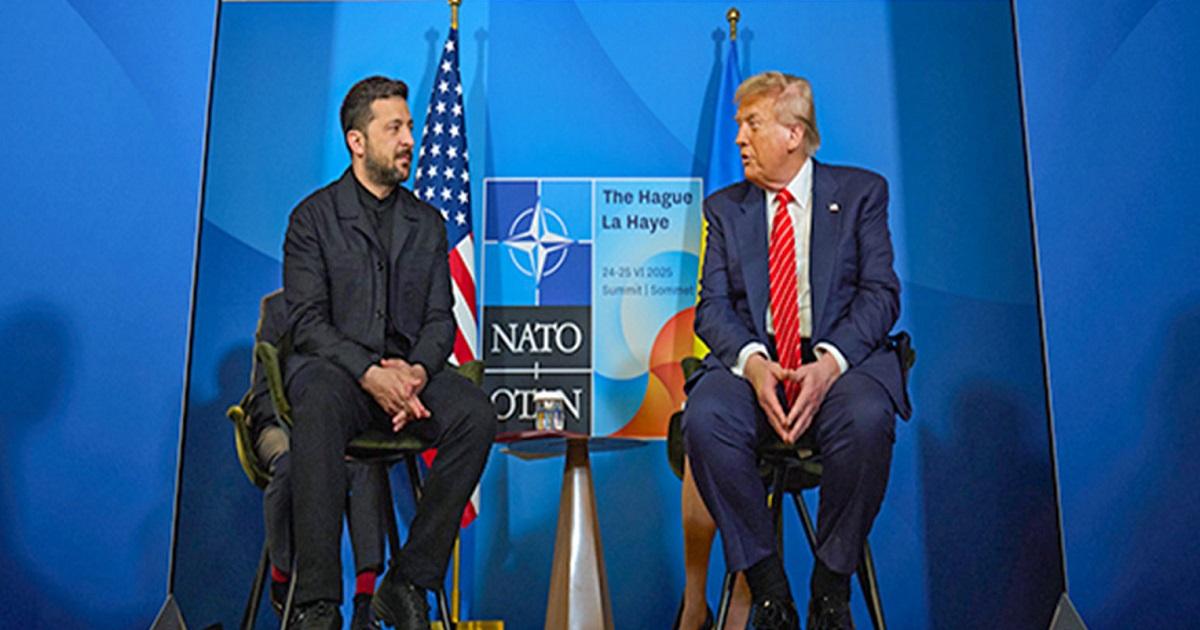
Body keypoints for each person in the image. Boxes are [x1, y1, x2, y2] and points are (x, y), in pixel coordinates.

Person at [682, 71, 910, 630]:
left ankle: (830, 588)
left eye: (751, 124)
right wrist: (754, 364)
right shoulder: (725, 209)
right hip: (755, 362)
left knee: (867, 416)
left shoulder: (860, 195)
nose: (739, 138)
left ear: (793, 133)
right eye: (738, 125)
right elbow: (712, 309)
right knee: (705, 417)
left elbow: (881, 294)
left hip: (836, 362)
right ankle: (769, 591)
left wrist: (828, 363)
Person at [282, 76, 495, 630]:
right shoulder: (312, 219)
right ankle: (317, 603)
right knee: (317, 399)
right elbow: (306, 323)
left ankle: (409, 582)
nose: (409, 140)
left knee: (475, 414)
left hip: (409, 383)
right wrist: (369, 373)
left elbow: (440, 320)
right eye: (394, 128)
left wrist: (416, 373)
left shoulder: (428, 223)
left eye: (410, 127)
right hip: (339, 379)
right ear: (357, 141)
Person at [244, 290, 387, 630]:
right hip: (278, 426)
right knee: (293, 466)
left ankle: (365, 603)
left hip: (337, 432)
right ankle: (283, 581)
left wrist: (331, 434)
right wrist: (309, 433)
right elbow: (262, 393)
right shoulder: (278, 307)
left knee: (365, 468)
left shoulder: (355, 310)